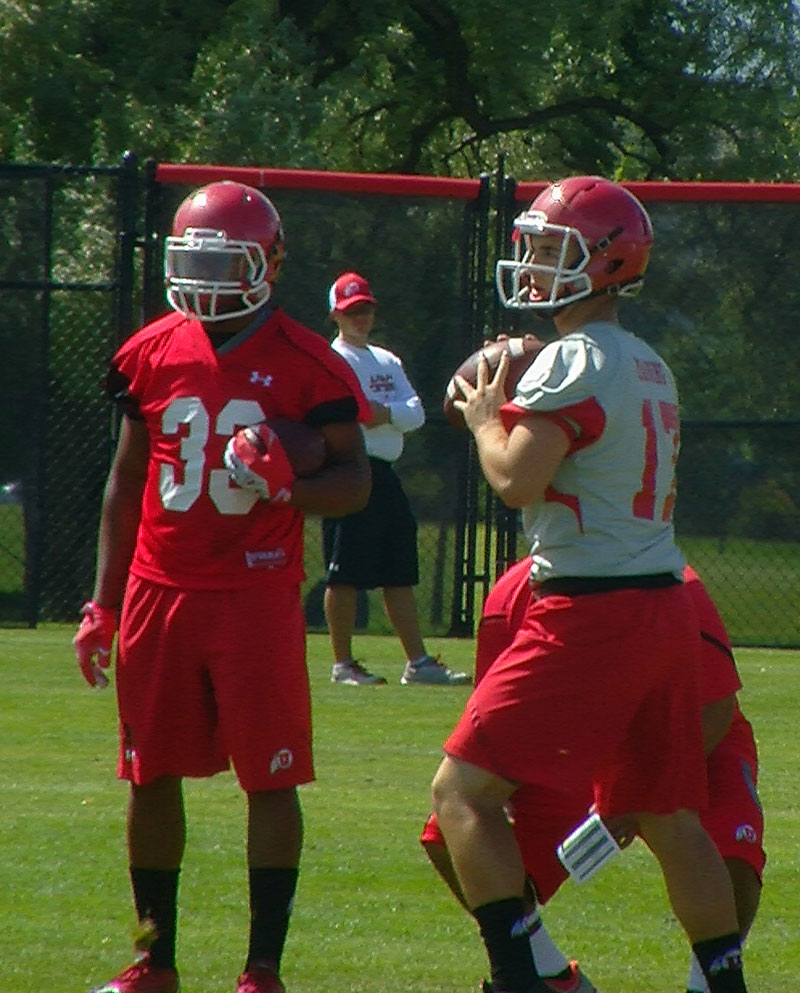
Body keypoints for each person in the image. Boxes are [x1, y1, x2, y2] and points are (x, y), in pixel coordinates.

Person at [429, 175, 750, 993]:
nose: (533, 263)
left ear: (605, 261)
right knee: (671, 815)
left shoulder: (571, 359)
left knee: (462, 794)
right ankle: (723, 982)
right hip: (663, 603)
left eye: (550, 249)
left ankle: (522, 977)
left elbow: (517, 479)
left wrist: (481, 419)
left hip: (590, 607)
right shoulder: (650, 364)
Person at [72, 181, 372, 993]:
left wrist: (287, 487)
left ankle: (261, 969)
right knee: (148, 774)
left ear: (269, 264)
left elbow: (354, 483)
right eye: (193, 259)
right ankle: (152, 962)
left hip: (254, 594)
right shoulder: (148, 349)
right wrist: (102, 600)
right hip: (157, 591)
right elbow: (126, 480)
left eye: (223, 260)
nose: (205, 278)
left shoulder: (311, 361)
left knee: (270, 777)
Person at [421, 558, 765, 993]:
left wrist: (637, 794)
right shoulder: (511, 598)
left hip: (687, 735)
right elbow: (500, 723)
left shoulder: (670, 583)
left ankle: (709, 983)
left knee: (730, 848)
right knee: (458, 827)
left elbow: (715, 707)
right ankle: (546, 974)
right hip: (577, 737)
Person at [321, 270, 470, 686]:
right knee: (344, 570)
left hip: (384, 472)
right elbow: (349, 414)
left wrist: (382, 413)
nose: (361, 318)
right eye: (352, 312)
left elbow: (415, 414)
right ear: (335, 314)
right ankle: (343, 664)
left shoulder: (387, 360)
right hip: (348, 469)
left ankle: (417, 663)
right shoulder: (332, 360)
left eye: (366, 310)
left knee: (399, 570)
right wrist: (383, 413)